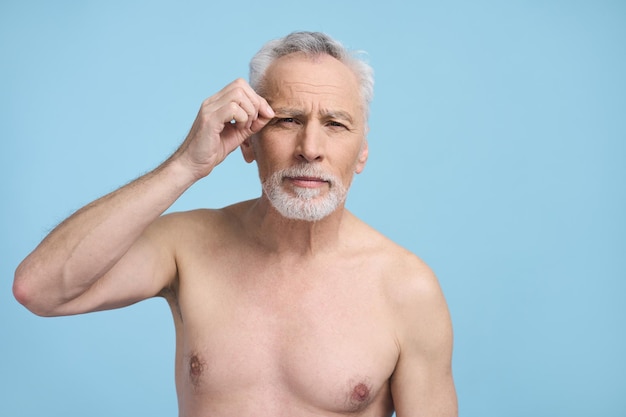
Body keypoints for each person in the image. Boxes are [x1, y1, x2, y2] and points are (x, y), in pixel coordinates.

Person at [13, 31, 457, 417]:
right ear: (248, 140)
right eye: (288, 120)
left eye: (336, 124)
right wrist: (186, 164)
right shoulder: (185, 247)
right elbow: (39, 288)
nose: (310, 148)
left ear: (362, 153)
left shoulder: (407, 289)